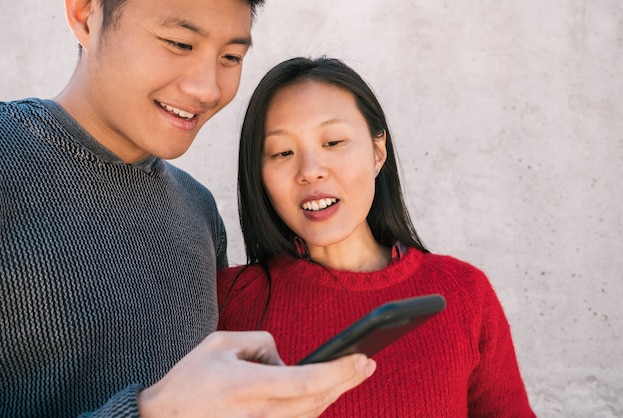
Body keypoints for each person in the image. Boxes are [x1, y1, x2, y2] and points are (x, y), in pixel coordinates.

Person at [0, 1, 375, 416]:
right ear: (86, 15)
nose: (208, 89)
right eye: (179, 43)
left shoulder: (198, 211)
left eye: (230, 57)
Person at [217, 56, 536, 416]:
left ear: (377, 151)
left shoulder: (465, 293)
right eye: (282, 152)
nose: (310, 171)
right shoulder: (227, 301)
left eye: (334, 141)